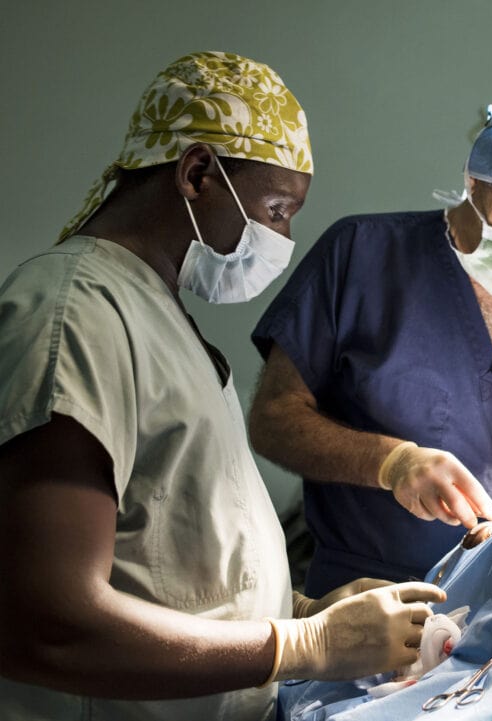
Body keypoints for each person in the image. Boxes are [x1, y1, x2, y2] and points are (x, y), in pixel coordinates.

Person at [0, 52, 444, 721]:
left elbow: (167, 564)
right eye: (276, 207)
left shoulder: (158, 320)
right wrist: (303, 644)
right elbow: (47, 623)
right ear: (198, 172)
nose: (282, 236)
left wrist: (300, 610)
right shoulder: (74, 315)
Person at [248, 84, 492, 591]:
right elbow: (273, 419)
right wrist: (391, 463)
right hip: (361, 594)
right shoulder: (361, 254)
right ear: (475, 177)